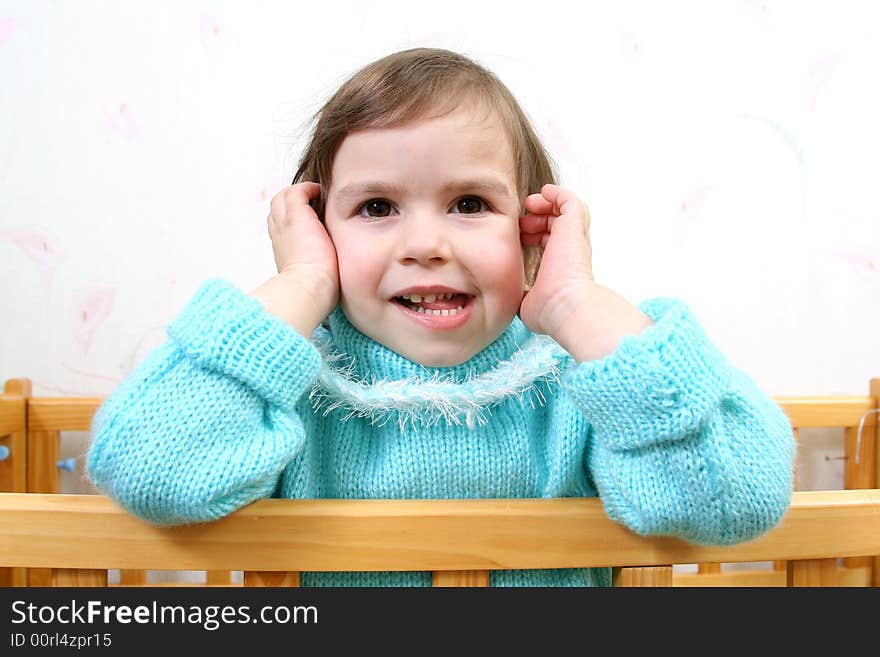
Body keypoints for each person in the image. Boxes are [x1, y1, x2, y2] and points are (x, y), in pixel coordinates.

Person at [86, 47, 796, 586]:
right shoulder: (287, 390)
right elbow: (148, 468)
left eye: (468, 204)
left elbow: (739, 496)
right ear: (318, 230)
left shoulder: (587, 388)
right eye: (375, 207)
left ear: (531, 230)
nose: (426, 244)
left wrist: (579, 306)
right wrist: (300, 285)